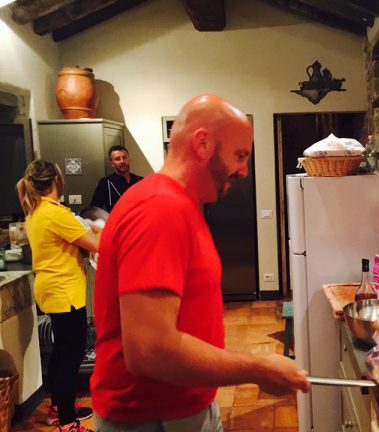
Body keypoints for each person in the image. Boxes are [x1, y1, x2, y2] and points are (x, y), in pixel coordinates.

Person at [91, 95, 310, 432]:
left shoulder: (179, 204)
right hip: (153, 419)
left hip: (182, 407)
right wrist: (258, 369)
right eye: (240, 155)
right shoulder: (159, 209)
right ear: (203, 143)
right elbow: (150, 350)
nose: (244, 170)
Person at [16, 160, 101, 432]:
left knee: (61, 351)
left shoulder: (37, 211)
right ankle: (67, 422)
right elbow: (96, 244)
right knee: (70, 356)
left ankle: (58, 409)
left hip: (52, 289)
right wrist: (101, 226)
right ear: (56, 180)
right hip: (65, 291)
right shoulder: (55, 213)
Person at [90, 145, 143, 212]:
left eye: (124, 158)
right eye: (117, 159)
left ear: (129, 160)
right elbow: (94, 210)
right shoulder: (105, 183)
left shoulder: (141, 181)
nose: (122, 161)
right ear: (112, 163)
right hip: (117, 218)